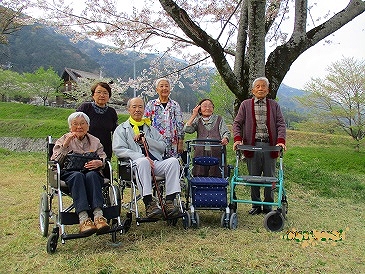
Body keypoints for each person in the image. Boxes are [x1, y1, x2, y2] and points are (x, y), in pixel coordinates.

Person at [113, 97, 181, 218]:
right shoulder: (122, 129)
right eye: (134, 107)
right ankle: (149, 203)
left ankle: (169, 201)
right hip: (133, 166)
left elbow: (162, 146)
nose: (137, 110)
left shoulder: (150, 128)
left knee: (173, 162)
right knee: (143, 161)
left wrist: (146, 140)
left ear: (144, 109)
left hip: (154, 163)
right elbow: (119, 150)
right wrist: (139, 156)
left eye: (140, 107)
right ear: (128, 109)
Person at [232, 77, 287, 215]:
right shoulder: (245, 104)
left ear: (268, 90)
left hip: (270, 145)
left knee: (271, 177)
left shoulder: (274, 105)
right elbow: (237, 124)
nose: (260, 89)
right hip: (252, 145)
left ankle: (268, 205)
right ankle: (256, 205)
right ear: (253, 90)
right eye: (258, 86)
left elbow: (281, 124)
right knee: (253, 177)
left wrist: (281, 141)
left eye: (263, 86)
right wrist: (238, 140)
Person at [51, 112, 110, 234]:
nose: (79, 127)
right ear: (70, 126)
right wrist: (65, 146)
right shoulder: (63, 139)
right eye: (75, 124)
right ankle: (84, 218)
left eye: (82, 123)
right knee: (78, 176)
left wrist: (100, 163)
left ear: (88, 126)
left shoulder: (95, 141)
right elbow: (55, 161)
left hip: (91, 172)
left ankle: (98, 216)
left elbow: (103, 158)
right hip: (70, 173)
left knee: (92, 175)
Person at [184, 98, 230, 177]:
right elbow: (187, 129)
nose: (208, 108)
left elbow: (226, 132)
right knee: (199, 172)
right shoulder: (198, 120)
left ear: (213, 108)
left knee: (216, 173)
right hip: (200, 152)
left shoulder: (219, 119)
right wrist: (194, 115)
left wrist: (225, 138)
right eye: (204, 106)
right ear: (199, 109)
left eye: (210, 106)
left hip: (216, 151)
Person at [77, 82, 118, 160]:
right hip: (85, 150)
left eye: (105, 93)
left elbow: (116, 130)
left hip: (104, 151)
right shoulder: (85, 108)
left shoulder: (111, 112)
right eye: (99, 92)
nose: (102, 95)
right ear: (93, 95)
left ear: (109, 96)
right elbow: (75, 125)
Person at [144, 78, 184, 158]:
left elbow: (180, 124)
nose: (164, 88)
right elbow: (146, 123)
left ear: (170, 89)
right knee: (156, 163)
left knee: (172, 164)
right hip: (155, 141)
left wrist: (181, 142)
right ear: (157, 89)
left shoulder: (175, 105)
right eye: (161, 86)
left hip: (172, 142)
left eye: (166, 86)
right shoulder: (151, 104)